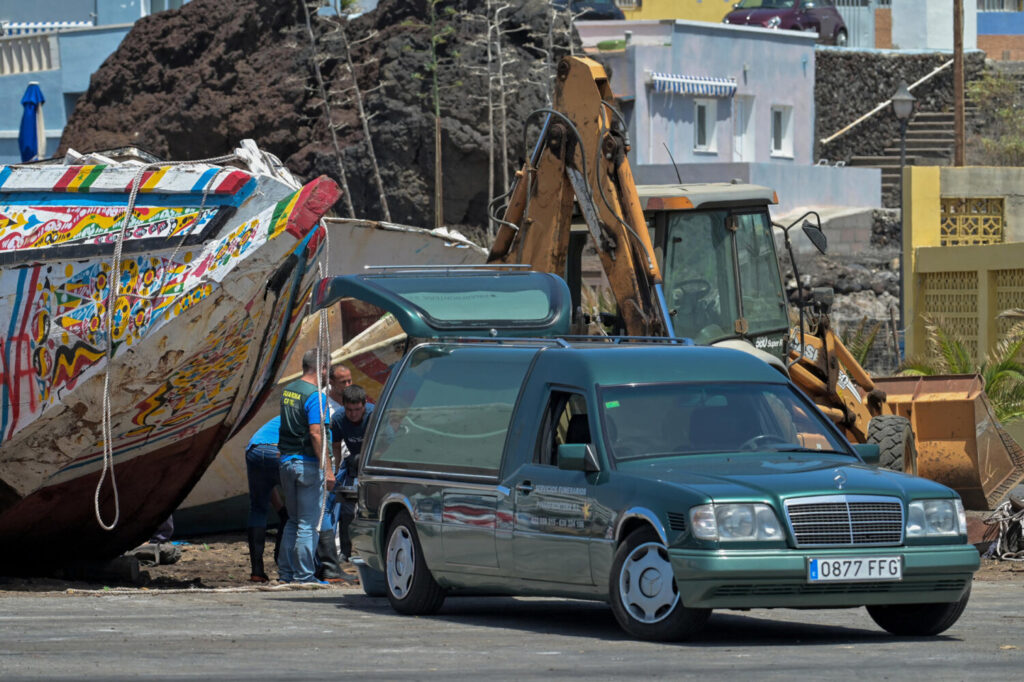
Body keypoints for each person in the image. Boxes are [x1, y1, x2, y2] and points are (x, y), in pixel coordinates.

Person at [276, 349, 332, 585]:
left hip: (286, 462)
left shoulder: (288, 390)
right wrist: (327, 469)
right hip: (307, 464)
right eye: (328, 368)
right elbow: (316, 433)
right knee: (308, 524)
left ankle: (286, 574)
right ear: (322, 369)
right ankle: (304, 576)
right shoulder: (315, 396)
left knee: (293, 521)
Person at [313, 364, 354, 582]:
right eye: (343, 382)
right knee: (329, 508)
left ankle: (344, 551)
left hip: (349, 461)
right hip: (331, 464)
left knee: (347, 509)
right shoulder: (323, 403)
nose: (348, 385)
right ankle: (333, 555)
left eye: (349, 380)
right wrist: (333, 467)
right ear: (331, 382)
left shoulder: (352, 400)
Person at [330, 383, 375, 562]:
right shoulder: (339, 419)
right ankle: (345, 551)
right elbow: (335, 447)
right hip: (353, 464)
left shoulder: (374, 415)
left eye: (357, 410)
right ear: (343, 406)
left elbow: (385, 444)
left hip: (373, 463)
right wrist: (333, 472)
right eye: (349, 410)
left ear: (364, 404)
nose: (353, 414)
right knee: (347, 510)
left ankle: (373, 552)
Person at [244, 416, 288, 583]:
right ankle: (284, 565)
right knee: (298, 509)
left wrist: (281, 510)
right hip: (276, 451)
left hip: (254, 449)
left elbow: (267, 484)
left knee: (257, 508)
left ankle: (257, 571)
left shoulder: (282, 417)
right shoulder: (314, 417)